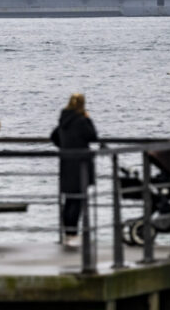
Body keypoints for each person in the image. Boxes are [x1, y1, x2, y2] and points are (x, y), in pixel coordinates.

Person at [50, 93, 99, 246]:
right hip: (80, 165)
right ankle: (73, 233)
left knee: (68, 200)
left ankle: (67, 232)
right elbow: (93, 136)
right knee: (77, 200)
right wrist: (88, 118)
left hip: (66, 163)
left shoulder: (63, 120)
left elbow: (53, 136)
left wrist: (64, 147)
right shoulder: (81, 121)